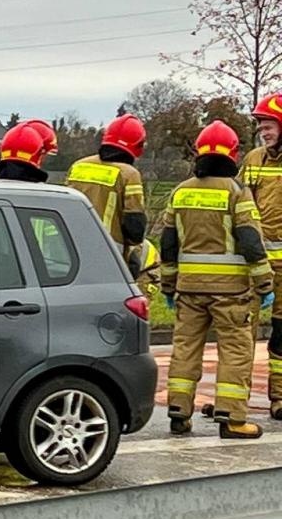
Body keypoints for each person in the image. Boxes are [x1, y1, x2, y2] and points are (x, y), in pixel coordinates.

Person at [160, 120, 273, 438]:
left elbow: (168, 245)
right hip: (231, 292)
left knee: (184, 349)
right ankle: (232, 418)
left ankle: (179, 412)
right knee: (235, 351)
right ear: (233, 154)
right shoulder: (237, 192)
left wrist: (169, 286)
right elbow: (251, 242)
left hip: (189, 290)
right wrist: (265, 285)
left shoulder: (180, 192)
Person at [242, 93, 282, 418]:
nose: (264, 132)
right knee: (242, 333)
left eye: (268, 126)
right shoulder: (254, 159)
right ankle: (234, 402)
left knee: (281, 335)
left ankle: (280, 399)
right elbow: (240, 203)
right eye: (261, 127)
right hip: (256, 265)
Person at [65, 114, 147, 267]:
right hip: (108, 251)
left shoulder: (78, 165)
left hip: (69, 246)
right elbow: (134, 226)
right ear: (137, 145)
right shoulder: (129, 174)